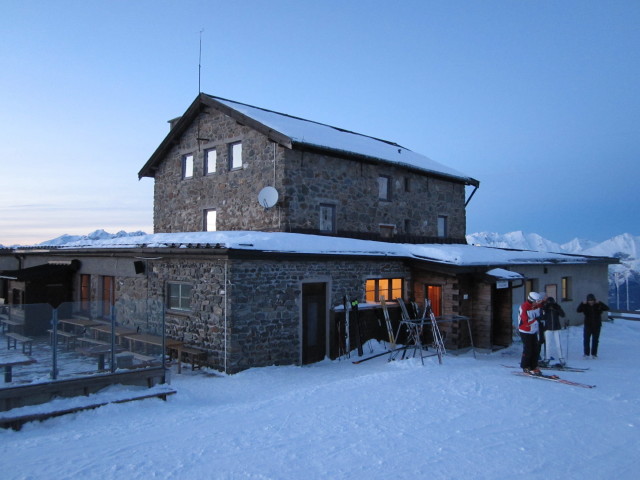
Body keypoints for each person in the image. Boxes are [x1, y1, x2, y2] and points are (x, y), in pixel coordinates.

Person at [519, 291, 545, 375]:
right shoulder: (524, 307)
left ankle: (534, 366)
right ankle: (525, 366)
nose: (538, 303)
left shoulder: (536, 306)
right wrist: (536, 319)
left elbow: (542, 305)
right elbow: (525, 322)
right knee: (528, 349)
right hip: (525, 331)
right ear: (532, 300)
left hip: (533, 330)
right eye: (537, 301)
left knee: (536, 349)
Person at [577, 293, 609, 358]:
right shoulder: (585, 306)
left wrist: (600, 303)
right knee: (586, 340)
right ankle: (586, 354)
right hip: (588, 325)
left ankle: (594, 354)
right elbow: (578, 310)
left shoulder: (598, 305)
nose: (591, 302)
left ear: (594, 300)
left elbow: (607, 308)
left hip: (597, 325)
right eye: (589, 300)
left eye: (592, 300)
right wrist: (582, 303)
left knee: (595, 340)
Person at [541, 297, 566, 366]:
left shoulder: (556, 308)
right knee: (547, 344)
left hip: (556, 328)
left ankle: (561, 359)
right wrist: (544, 309)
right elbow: (542, 317)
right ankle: (547, 358)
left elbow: (563, 315)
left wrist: (557, 308)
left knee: (558, 344)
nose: (551, 305)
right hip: (548, 328)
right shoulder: (546, 309)